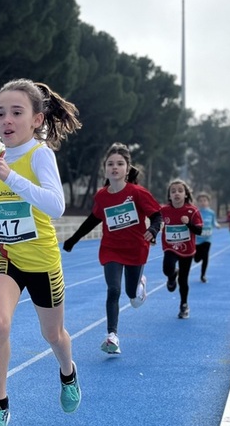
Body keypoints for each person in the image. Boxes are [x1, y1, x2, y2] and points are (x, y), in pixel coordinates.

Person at [0, 78, 83, 426]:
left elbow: (56, 206)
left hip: (42, 260)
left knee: (54, 336)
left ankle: (68, 372)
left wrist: (10, 176)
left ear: (36, 119)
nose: (6, 120)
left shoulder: (40, 154)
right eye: (1, 113)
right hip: (6, 254)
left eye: (16, 112)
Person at [62, 142, 162, 355]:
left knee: (132, 298)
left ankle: (139, 287)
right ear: (104, 169)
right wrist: (74, 239)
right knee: (113, 289)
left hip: (136, 248)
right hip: (111, 249)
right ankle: (112, 336)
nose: (114, 167)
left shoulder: (137, 193)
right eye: (110, 164)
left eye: (119, 164)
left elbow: (157, 215)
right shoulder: (102, 196)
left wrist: (153, 230)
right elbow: (93, 220)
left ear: (127, 168)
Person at [159, 179, 204, 320]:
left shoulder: (192, 210)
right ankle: (172, 276)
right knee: (167, 268)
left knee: (184, 279)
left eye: (180, 190)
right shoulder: (164, 210)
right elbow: (154, 220)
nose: (176, 193)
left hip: (187, 249)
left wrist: (189, 224)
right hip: (170, 246)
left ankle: (184, 304)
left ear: (185, 194)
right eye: (173, 191)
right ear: (169, 196)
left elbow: (199, 230)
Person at [193, 191, 218, 283]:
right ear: (198, 202)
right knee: (197, 259)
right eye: (200, 201)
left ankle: (203, 275)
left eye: (205, 200)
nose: (203, 202)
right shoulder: (196, 212)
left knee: (205, 256)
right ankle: (194, 257)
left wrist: (217, 225)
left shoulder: (211, 213)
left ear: (208, 202)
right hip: (197, 239)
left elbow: (213, 222)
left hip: (207, 239)